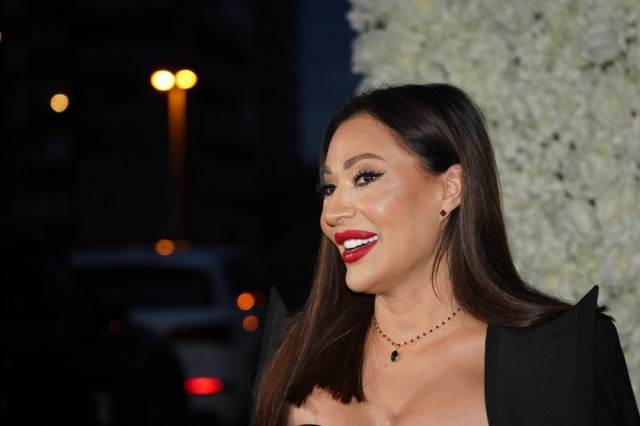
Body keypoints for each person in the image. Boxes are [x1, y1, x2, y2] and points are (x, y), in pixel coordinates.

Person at [251, 83, 640, 425]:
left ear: (450, 188)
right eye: (329, 188)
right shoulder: (295, 352)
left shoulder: (560, 358)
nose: (332, 212)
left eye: (365, 177)